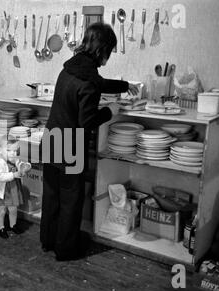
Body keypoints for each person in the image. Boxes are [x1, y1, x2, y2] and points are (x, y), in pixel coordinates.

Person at [40, 22, 139, 261]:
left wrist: (126, 86)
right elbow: (88, 121)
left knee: (52, 196)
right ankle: (66, 250)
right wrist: (111, 111)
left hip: (52, 139)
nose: (110, 56)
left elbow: (99, 82)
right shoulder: (89, 81)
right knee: (71, 200)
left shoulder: (70, 69)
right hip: (70, 147)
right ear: (102, 49)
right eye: (110, 51)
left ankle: (48, 241)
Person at [0, 136, 29, 239]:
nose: (12, 153)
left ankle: (13, 225)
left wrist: (24, 168)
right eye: (8, 150)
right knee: (1, 211)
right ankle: (1, 227)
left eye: (15, 151)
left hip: (13, 190)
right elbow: (0, 177)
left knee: (13, 209)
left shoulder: (15, 160)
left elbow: (21, 165)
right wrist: (14, 175)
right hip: (2, 192)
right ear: (0, 150)